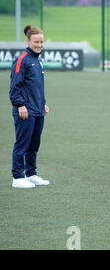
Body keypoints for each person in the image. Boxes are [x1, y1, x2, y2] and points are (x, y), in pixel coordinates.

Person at [9, 25, 50, 188]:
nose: (39, 45)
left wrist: (43, 103)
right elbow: (15, 86)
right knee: (22, 143)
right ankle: (18, 177)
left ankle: (31, 174)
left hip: (38, 109)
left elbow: (36, 86)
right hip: (25, 110)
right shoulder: (22, 59)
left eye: (41, 42)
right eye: (36, 42)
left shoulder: (37, 60)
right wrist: (20, 105)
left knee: (34, 144)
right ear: (28, 41)